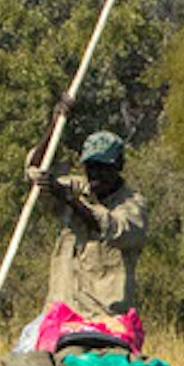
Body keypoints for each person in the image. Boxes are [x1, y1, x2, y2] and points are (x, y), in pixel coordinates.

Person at [28, 130, 147, 324]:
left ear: (119, 166)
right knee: (25, 353)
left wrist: (71, 201)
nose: (96, 174)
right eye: (91, 167)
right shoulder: (77, 187)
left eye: (103, 167)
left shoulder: (133, 205)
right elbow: (36, 170)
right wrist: (54, 124)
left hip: (105, 320)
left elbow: (113, 228)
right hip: (60, 314)